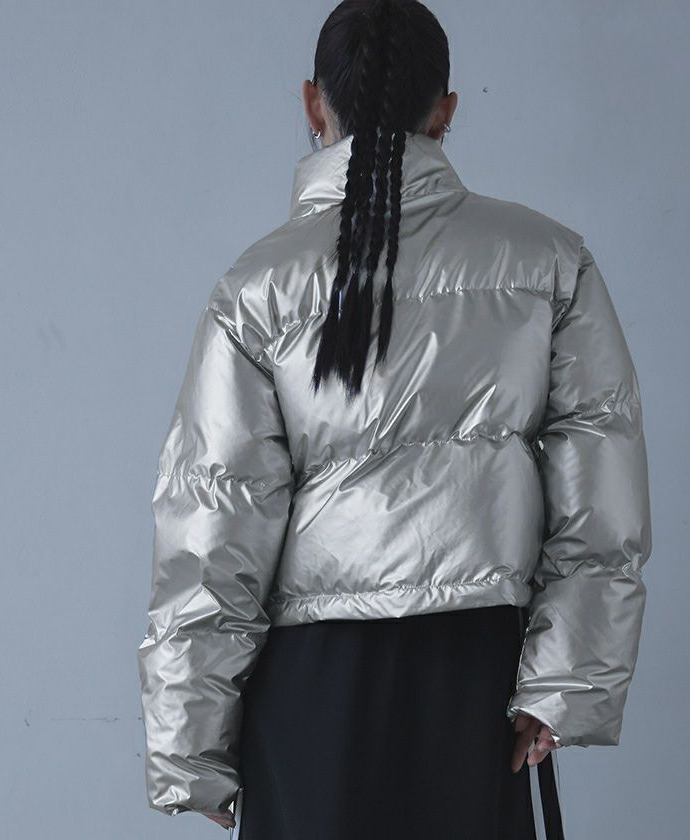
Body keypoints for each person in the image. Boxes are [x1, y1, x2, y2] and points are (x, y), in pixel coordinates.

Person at [136, 1, 653, 838]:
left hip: (310, 687)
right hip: (477, 675)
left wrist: (189, 745)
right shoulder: (549, 261)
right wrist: (567, 679)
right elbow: (602, 488)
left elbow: (215, 524)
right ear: (445, 110)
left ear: (313, 103)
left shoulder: (259, 288)